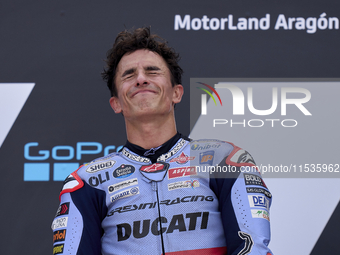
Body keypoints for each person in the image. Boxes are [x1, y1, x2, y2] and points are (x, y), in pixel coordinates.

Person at [52, 27, 273, 255]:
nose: (140, 79)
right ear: (116, 103)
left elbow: (252, 249)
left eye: (152, 71)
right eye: (129, 75)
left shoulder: (225, 160)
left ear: (176, 93)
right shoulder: (87, 182)